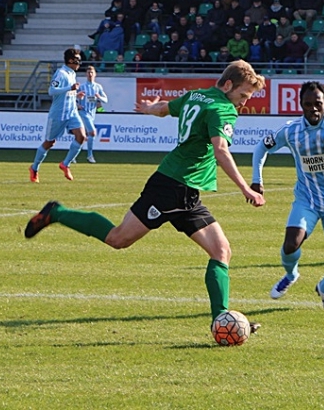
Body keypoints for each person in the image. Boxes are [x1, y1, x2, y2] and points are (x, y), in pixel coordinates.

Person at [25, 61, 267, 333]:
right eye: (243, 94)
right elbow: (221, 150)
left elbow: (165, 108)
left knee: (221, 251)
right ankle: (56, 213)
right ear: (227, 85)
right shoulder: (222, 109)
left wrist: (149, 108)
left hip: (186, 192)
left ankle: (221, 319)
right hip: (169, 188)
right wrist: (246, 189)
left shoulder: (196, 95)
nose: (245, 102)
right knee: (118, 238)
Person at [251, 81, 324, 310]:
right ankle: (291, 274)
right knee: (290, 245)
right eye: (308, 104)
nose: (313, 109)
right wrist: (257, 180)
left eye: (318, 104)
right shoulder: (291, 131)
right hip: (307, 200)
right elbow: (260, 148)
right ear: (300, 104)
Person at [29, 48, 87, 183]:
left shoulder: (72, 73)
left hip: (72, 112)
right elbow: (51, 91)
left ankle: (65, 164)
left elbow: (67, 92)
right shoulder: (61, 73)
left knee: (82, 136)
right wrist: (70, 89)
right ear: (71, 60)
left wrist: (75, 96)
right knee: (50, 142)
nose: (80, 63)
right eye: (78, 60)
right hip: (58, 114)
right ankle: (34, 168)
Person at [77, 65, 109, 163]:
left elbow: (106, 100)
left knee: (82, 136)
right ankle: (90, 156)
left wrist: (99, 97)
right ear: (86, 74)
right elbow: (73, 97)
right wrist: (76, 105)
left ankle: (73, 156)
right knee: (93, 132)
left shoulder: (98, 87)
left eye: (92, 73)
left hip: (92, 114)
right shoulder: (82, 86)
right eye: (88, 73)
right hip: (83, 112)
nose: (90, 74)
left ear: (95, 74)